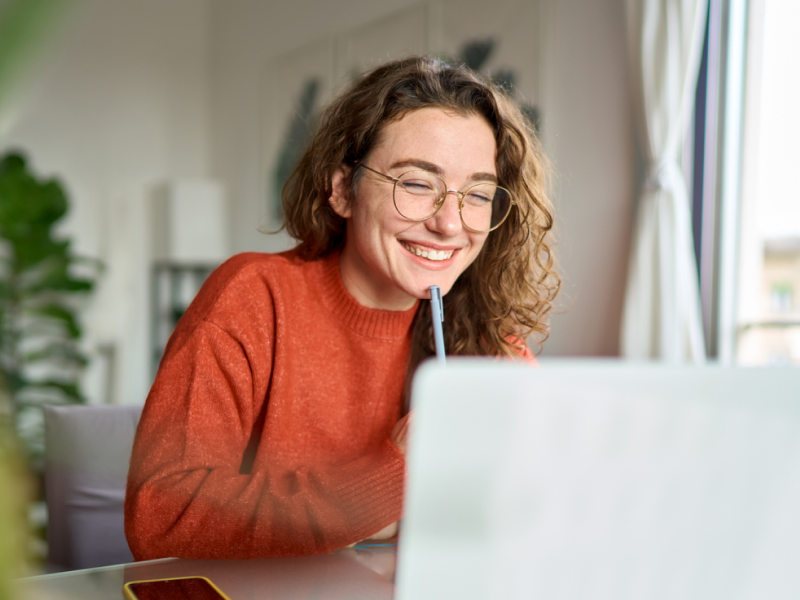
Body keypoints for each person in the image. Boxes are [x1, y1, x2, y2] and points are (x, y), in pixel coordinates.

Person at [124, 55, 559, 560]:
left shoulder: (485, 333)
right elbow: (160, 516)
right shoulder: (252, 298)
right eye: (417, 183)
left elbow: (539, 505)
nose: (450, 223)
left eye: (477, 194)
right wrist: (392, 475)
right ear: (341, 190)